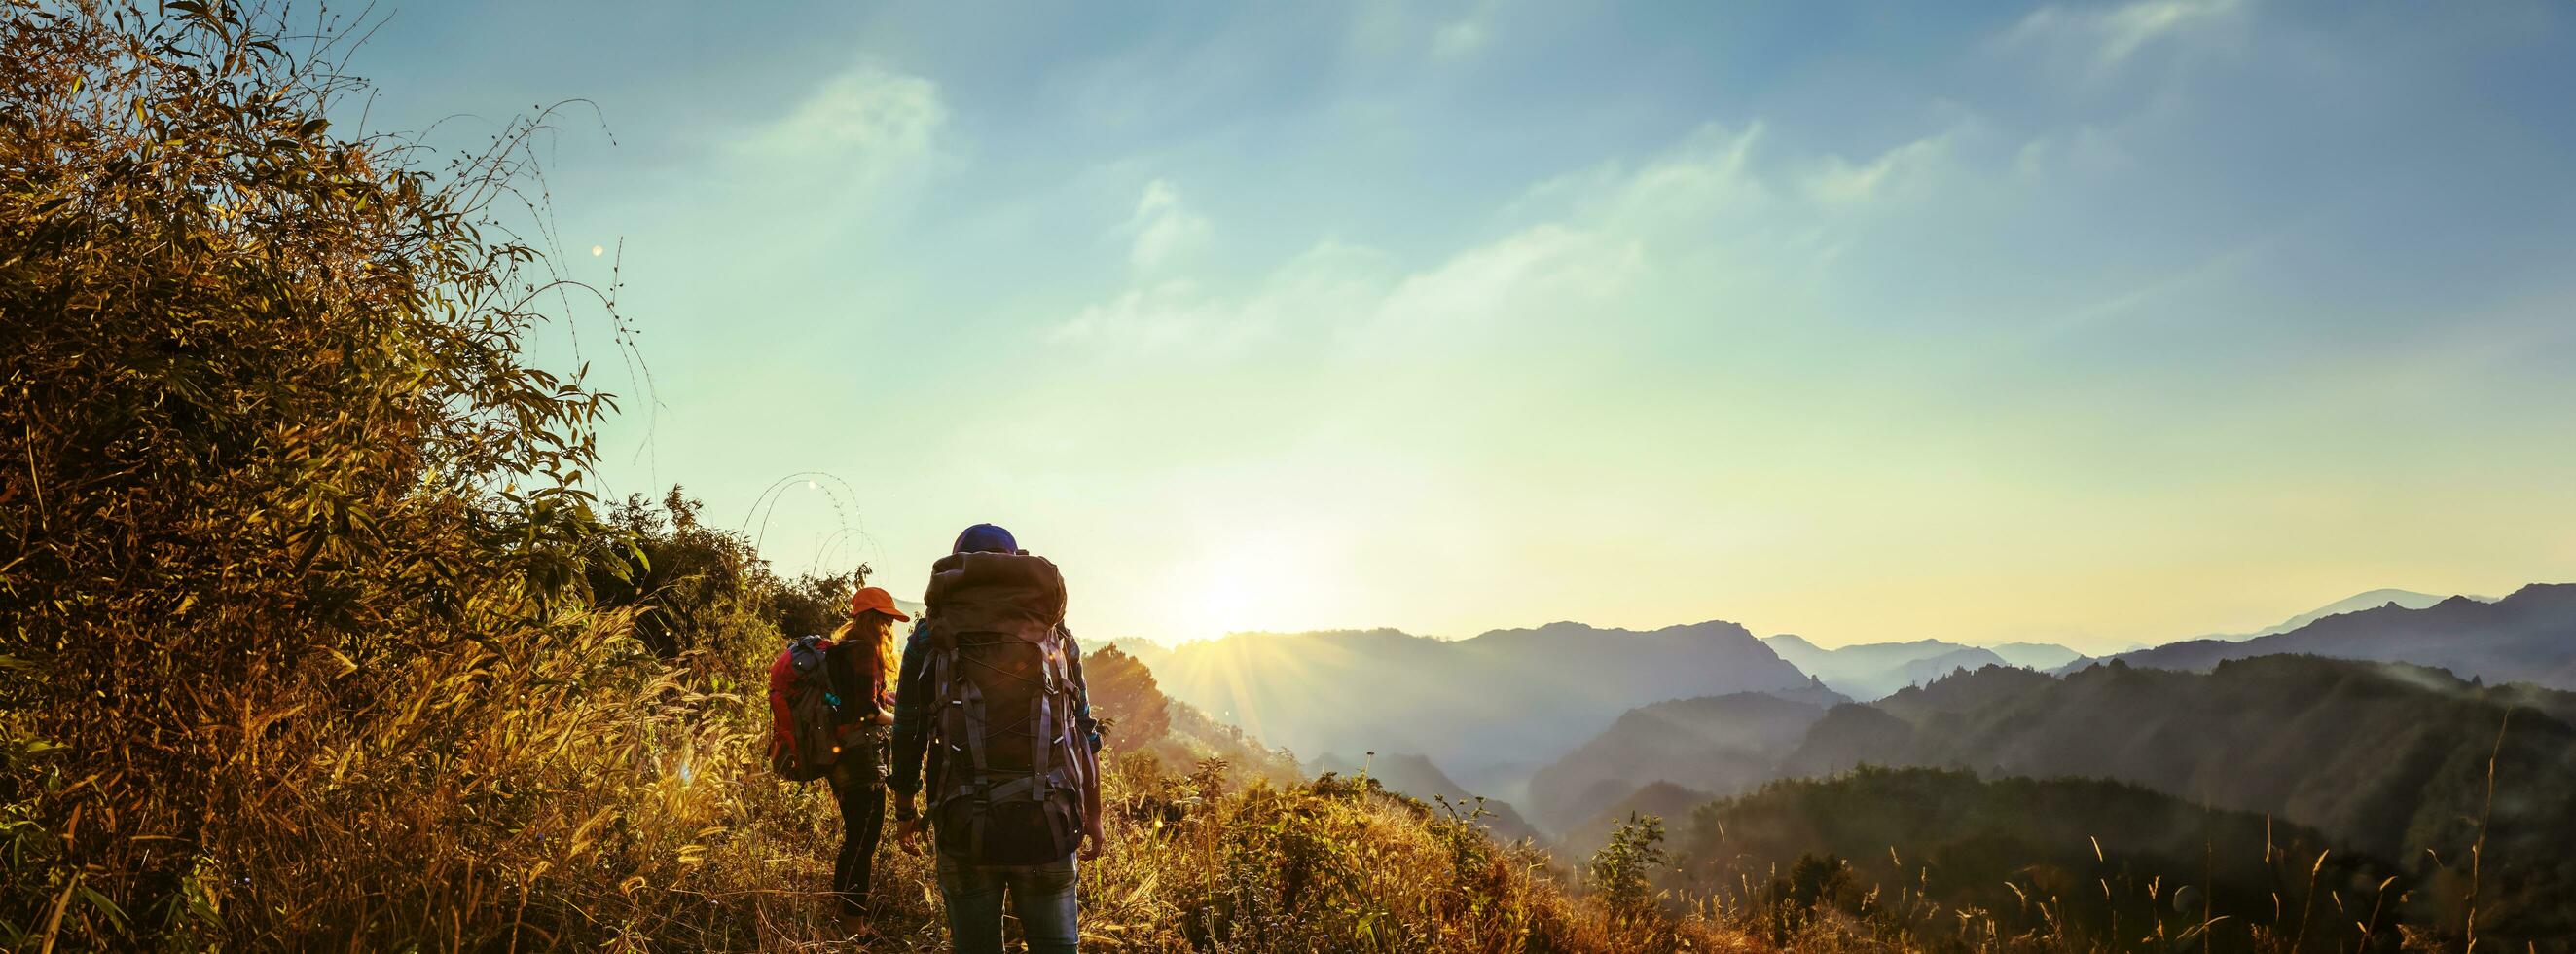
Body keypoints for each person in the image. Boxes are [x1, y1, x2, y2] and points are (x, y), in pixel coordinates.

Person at [889, 523, 1105, 954]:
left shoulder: (931, 636)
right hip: (1049, 826)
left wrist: (905, 809)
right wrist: (1094, 815)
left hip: (963, 824)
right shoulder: (1055, 633)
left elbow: (908, 729)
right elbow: (1082, 730)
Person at [767, 584, 909, 931]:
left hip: (840, 757)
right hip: (860, 759)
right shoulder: (865, 652)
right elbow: (865, 711)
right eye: (886, 620)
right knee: (864, 839)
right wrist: (903, 721)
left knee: (855, 835)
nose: (889, 628)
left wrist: (889, 701)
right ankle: (853, 922)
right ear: (874, 619)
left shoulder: (844, 650)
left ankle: (842, 912)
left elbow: (858, 697)